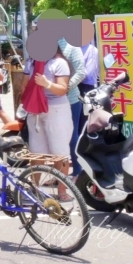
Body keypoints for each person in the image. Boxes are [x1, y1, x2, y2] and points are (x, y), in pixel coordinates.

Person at [23, 48, 72, 196]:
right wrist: (31, 100)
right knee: (36, 152)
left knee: (60, 153)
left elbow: (62, 89)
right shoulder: (31, 62)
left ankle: (62, 191)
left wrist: (47, 84)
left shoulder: (59, 62)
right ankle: (34, 188)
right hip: (35, 110)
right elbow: (24, 86)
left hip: (57, 110)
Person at [57, 37, 87, 176]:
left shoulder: (71, 46)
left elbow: (81, 72)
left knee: (71, 136)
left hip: (71, 100)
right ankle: (58, 174)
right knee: (55, 139)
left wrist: (65, 87)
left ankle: (77, 172)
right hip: (50, 101)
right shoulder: (44, 44)